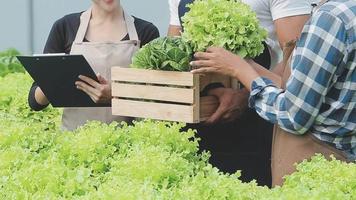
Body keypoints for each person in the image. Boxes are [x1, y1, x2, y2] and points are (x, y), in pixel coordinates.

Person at [191, 0, 356, 186]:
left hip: (315, 172)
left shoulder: (330, 19)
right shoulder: (349, 11)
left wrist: (240, 70)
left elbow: (293, 115)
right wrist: (245, 64)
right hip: (344, 167)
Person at [168, 0, 311, 186]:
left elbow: (296, 64)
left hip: (262, 121)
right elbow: (177, 52)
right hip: (200, 120)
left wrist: (246, 94)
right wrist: (211, 88)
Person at [28, 0, 159, 131]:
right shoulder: (64, 27)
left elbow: (156, 96)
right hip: (75, 143)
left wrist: (116, 93)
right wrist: (53, 82)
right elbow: (35, 102)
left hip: (129, 143)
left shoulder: (146, 31)